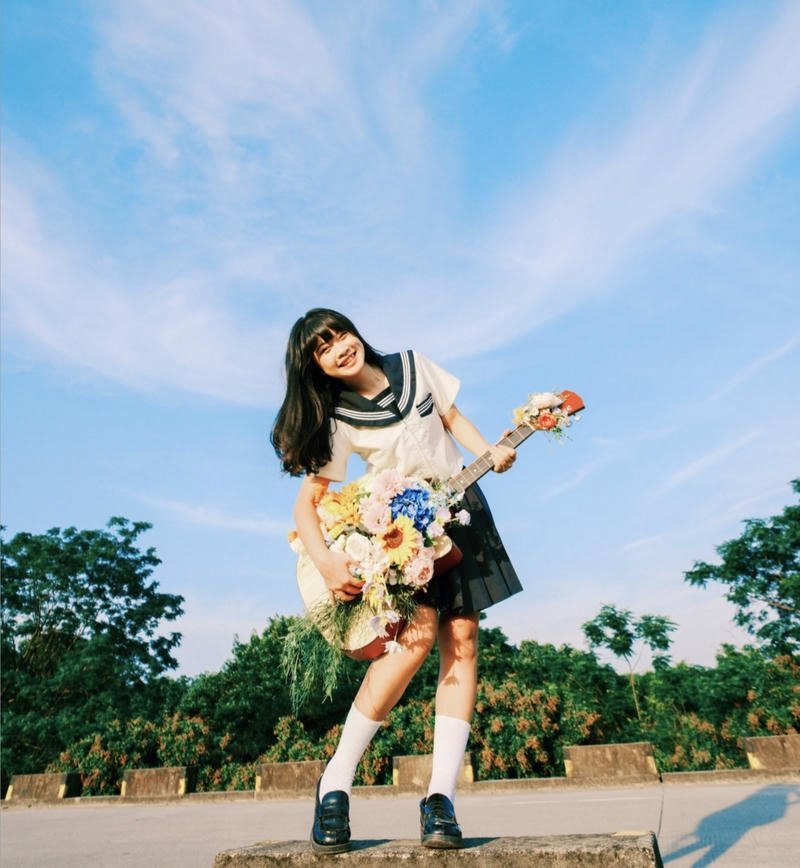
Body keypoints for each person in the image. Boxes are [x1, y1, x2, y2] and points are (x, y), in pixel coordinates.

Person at [271, 308, 522, 853]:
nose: (339, 348)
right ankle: (335, 780)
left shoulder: (413, 365)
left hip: (460, 514)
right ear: (316, 366)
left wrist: (490, 452)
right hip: (397, 533)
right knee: (413, 642)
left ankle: (440, 799)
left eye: (340, 334)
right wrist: (330, 564)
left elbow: (452, 420)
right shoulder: (337, 418)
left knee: (464, 641)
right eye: (323, 348)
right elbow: (306, 504)